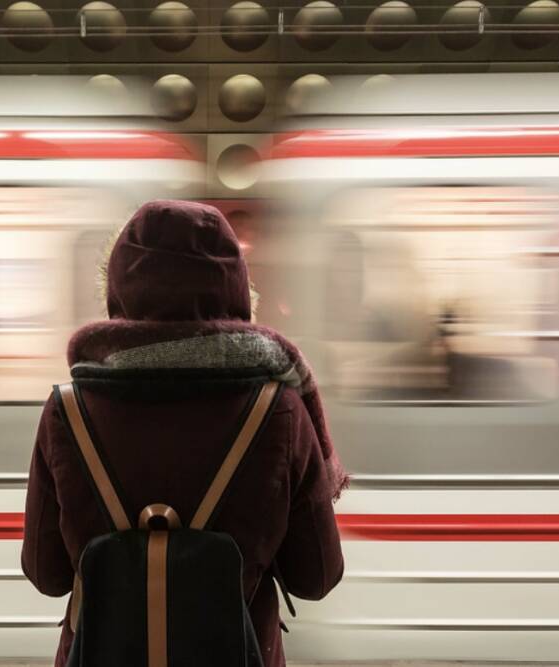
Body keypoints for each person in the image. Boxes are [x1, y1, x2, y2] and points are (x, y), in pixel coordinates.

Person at [22, 200, 347, 667]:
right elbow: (317, 577)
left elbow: (46, 573)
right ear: (235, 289)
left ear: (119, 288)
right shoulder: (279, 410)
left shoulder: (67, 411)